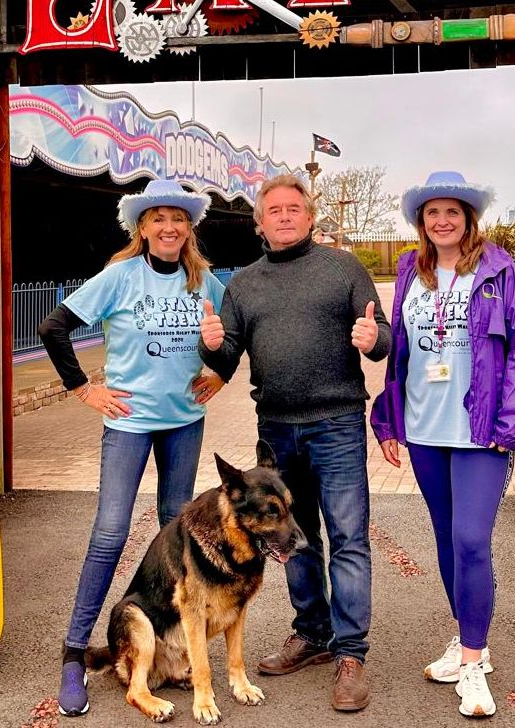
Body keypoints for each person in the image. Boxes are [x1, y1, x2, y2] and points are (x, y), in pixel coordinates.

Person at [197, 174, 390, 712]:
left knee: (349, 536)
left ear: (309, 217)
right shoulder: (245, 285)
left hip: (337, 423)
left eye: (293, 208)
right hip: (276, 430)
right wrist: (211, 345)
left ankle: (350, 653)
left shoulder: (342, 269)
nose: (283, 216)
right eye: (273, 209)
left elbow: (383, 338)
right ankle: (312, 633)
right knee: (292, 537)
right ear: (260, 222)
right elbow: (226, 358)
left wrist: (377, 340)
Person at [37, 178, 226, 717]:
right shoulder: (119, 277)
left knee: (179, 533)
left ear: (189, 228)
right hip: (128, 422)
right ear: (141, 227)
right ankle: (75, 655)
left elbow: (230, 335)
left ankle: (177, 653)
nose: (169, 227)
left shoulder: (204, 281)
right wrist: (83, 388)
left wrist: (220, 372)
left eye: (178, 219)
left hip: (184, 422)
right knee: (110, 531)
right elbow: (54, 328)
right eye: (157, 218)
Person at [370, 170, 515, 719]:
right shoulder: (409, 270)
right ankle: (471, 639)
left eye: (453, 212)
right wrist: (391, 420)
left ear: (469, 218)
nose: (442, 221)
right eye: (432, 214)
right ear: (421, 223)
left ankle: (472, 664)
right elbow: (401, 351)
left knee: (472, 539)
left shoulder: (498, 272)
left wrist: (510, 423)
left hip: (480, 431)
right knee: (447, 539)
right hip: (424, 427)